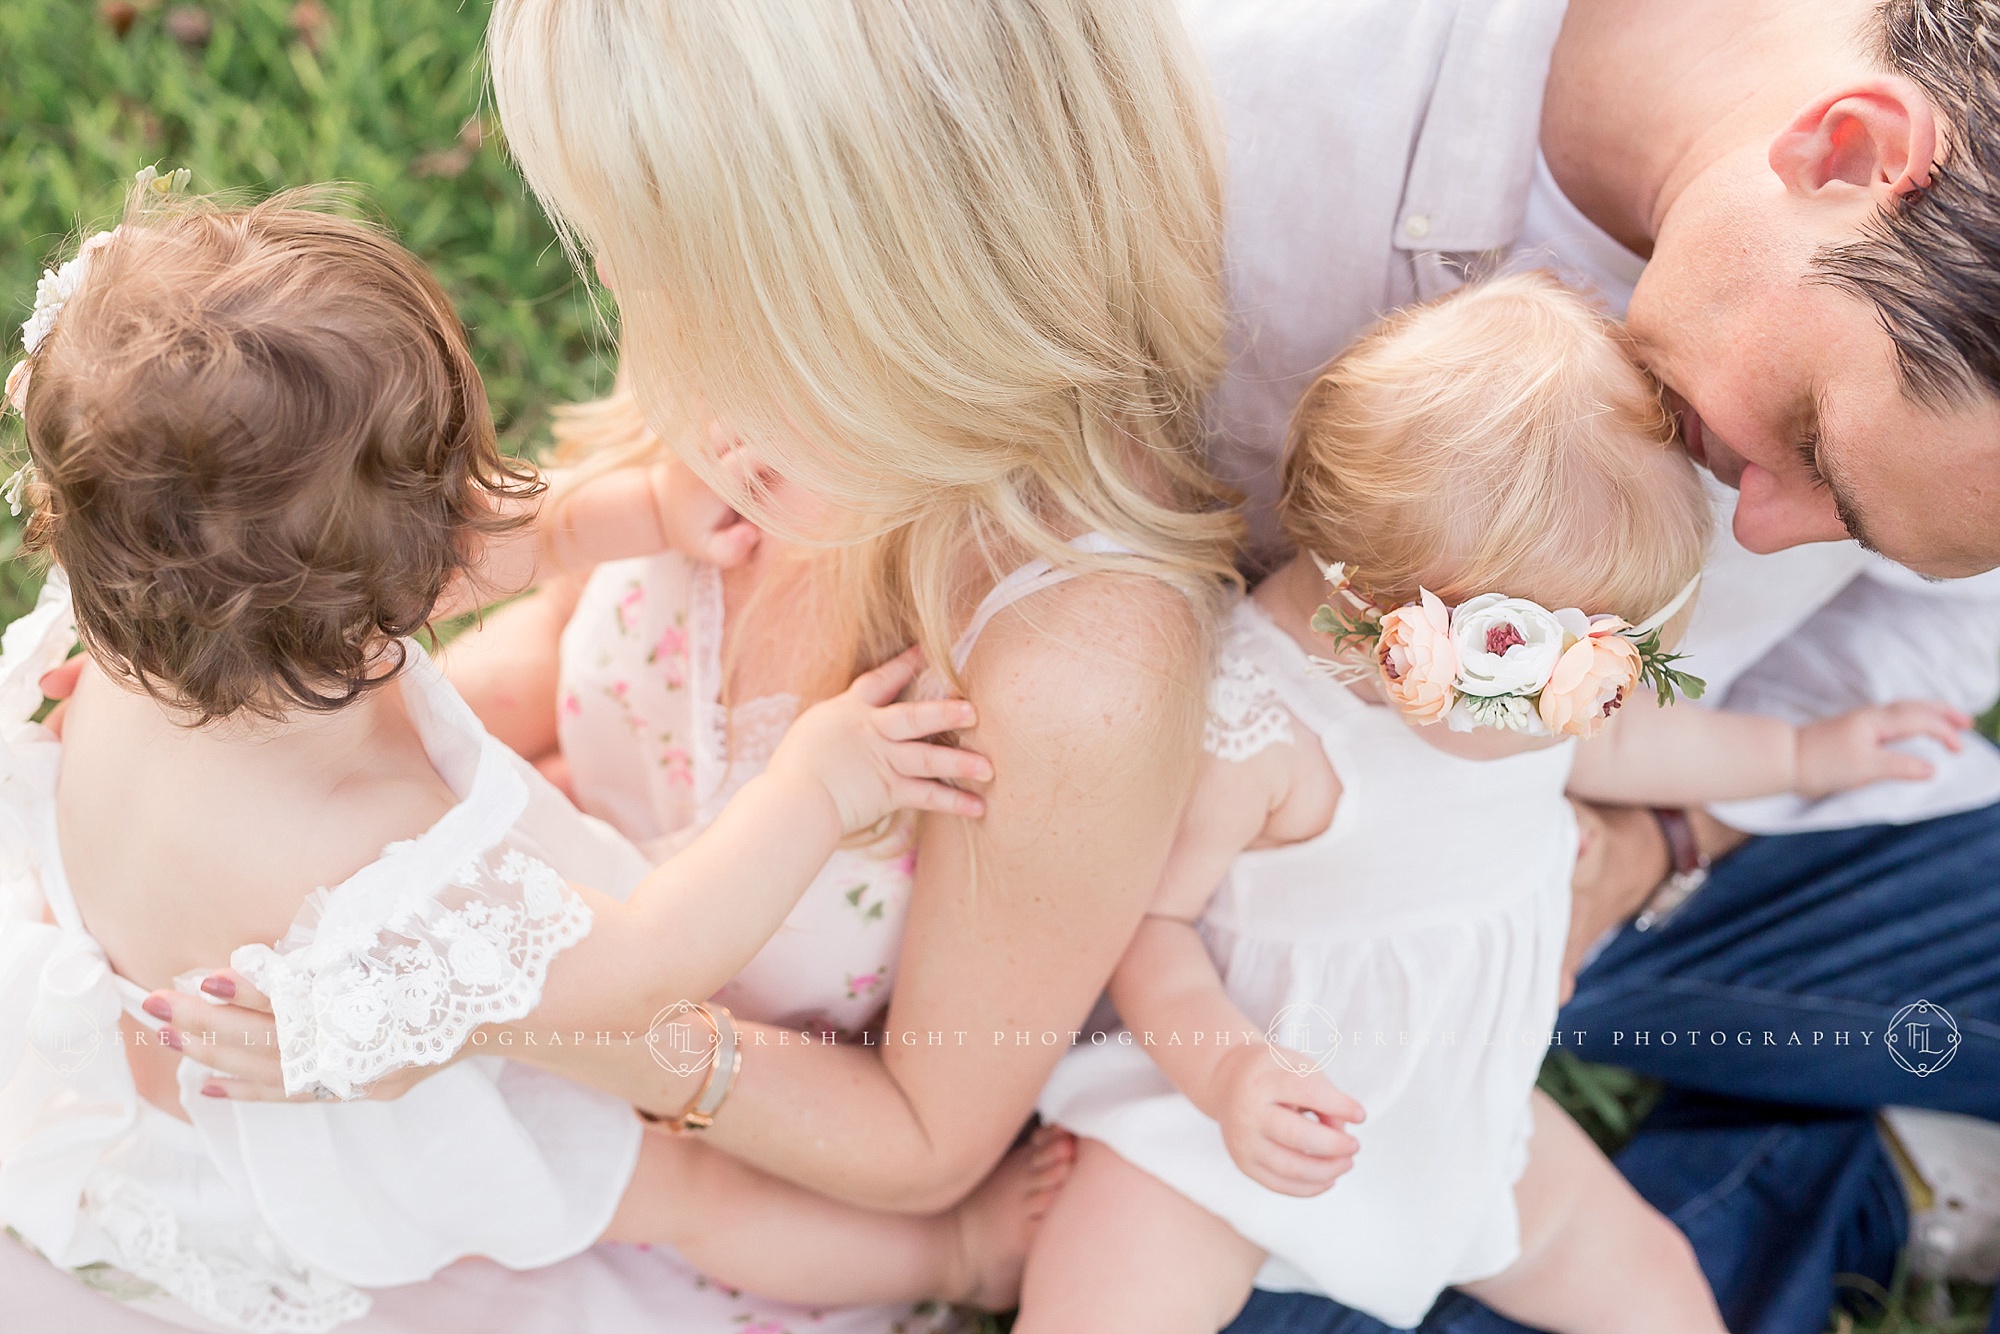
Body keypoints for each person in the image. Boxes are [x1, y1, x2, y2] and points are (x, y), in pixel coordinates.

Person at [129, 2, 1250, 1330]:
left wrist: (472, 1003)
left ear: (877, 278)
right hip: (513, 1040)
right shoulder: (744, 384)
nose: (630, 307)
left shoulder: (1074, 659)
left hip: (723, 1205)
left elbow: (925, 1134)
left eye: (652, 257)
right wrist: (268, 766)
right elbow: (557, 657)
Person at [0, 192, 1070, 1334]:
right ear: (387, 596)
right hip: (381, 1093)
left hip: (233, 988)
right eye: (450, 501)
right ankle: (956, 1254)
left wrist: (646, 509)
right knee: (679, 1191)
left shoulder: (155, 613)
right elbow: (643, 964)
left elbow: (481, 543)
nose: (483, 518)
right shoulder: (367, 847)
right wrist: (815, 784)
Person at [1176, 0, 2000, 1329]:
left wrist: (1669, 831)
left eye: (1850, 517)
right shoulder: (1233, 96)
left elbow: (1959, 614)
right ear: (1847, 151)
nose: (1761, 527)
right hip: (1290, 903)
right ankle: (1855, 1171)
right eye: (1807, 440)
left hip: (1670, 808)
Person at [1022, 273, 1969, 1333]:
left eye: (1603, 670)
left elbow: (1626, 742)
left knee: (1652, 1278)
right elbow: (1146, 928)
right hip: (1224, 1129)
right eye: (1552, 682)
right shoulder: (1262, 728)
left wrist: (1797, 752)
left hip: (1453, 1108)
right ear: (1371, 628)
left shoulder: (1529, 701)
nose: (1578, 714)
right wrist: (1229, 1072)